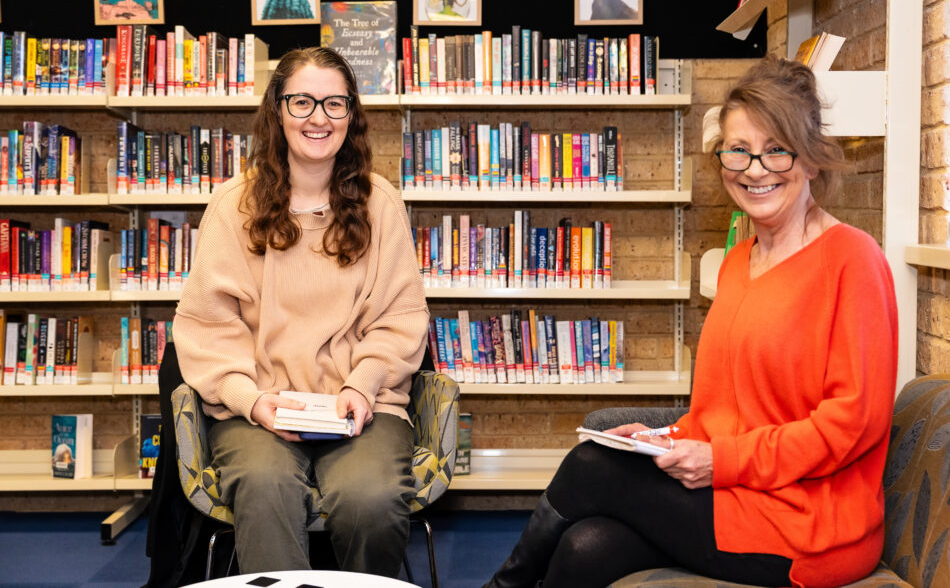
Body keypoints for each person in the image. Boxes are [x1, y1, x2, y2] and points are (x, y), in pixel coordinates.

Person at [484, 56, 898, 588]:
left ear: (813, 159)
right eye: (738, 150)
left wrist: (721, 461)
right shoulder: (736, 261)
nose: (754, 168)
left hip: (810, 523)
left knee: (590, 465)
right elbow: (725, 409)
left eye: (776, 150)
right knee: (585, 549)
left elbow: (850, 428)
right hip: (743, 494)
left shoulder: (851, 260)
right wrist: (664, 437)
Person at [173, 46, 429, 576]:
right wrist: (253, 400)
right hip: (260, 407)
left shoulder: (381, 204)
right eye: (303, 102)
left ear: (352, 115)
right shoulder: (232, 207)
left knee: (370, 497)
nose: (319, 118)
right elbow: (207, 328)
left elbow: (400, 317)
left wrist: (362, 385)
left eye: (335, 104)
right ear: (277, 111)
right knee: (264, 489)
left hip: (363, 402)